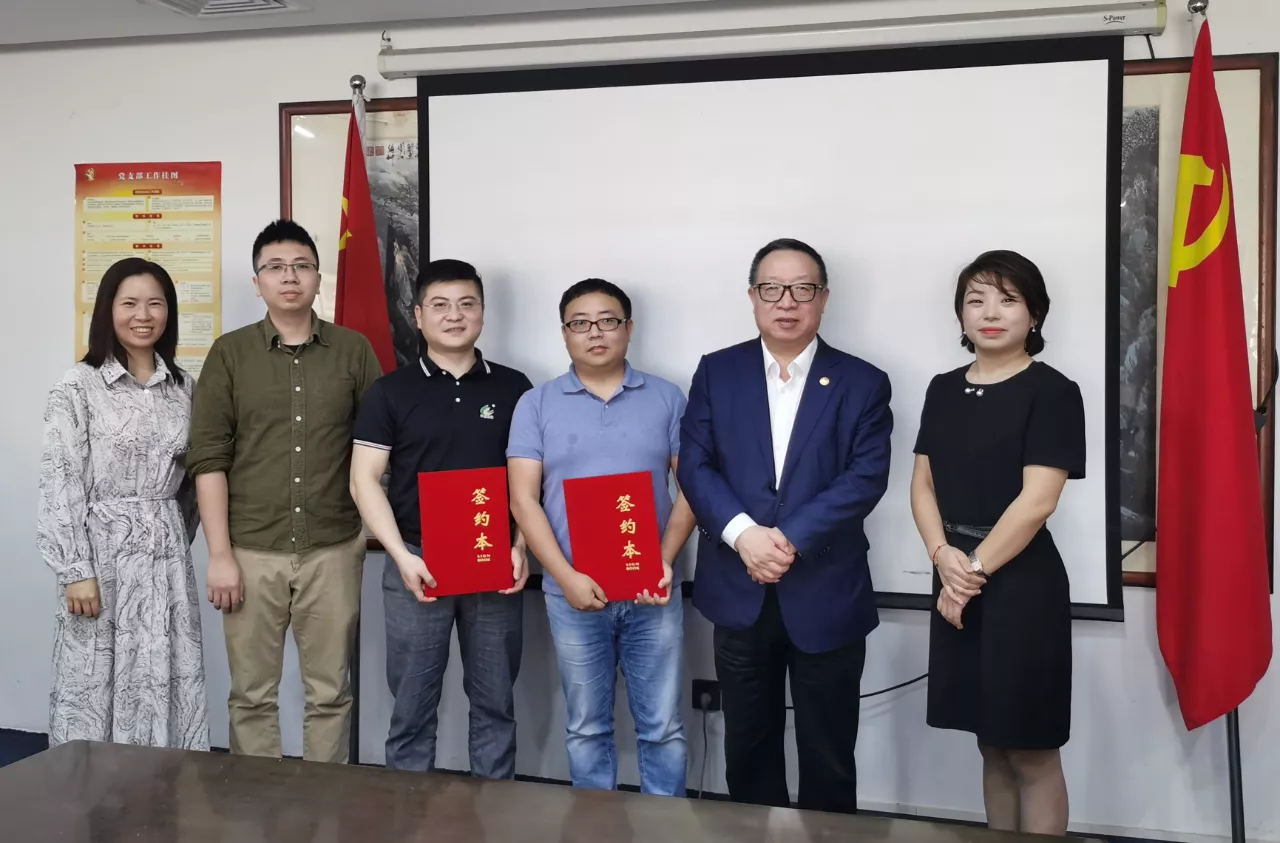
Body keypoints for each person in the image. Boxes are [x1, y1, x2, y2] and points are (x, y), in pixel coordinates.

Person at [678, 238, 891, 814]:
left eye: (802, 289)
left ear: (824, 297)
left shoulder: (862, 381)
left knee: (829, 752)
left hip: (826, 591)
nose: (787, 302)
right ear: (753, 296)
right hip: (738, 587)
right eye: (772, 289)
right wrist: (744, 535)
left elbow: (865, 478)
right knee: (748, 748)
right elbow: (695, 465)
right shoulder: (718, 372)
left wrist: (786, 539)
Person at [188, 219, 382, 763]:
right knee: (251, 696)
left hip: (332, 547)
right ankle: (257, 803)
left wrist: (373, 529)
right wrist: (219, 555)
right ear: (258, 283)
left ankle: (324, 799)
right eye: (275, 267)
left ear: (319, 277)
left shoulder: (353, 350)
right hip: (250, 549)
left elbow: (377, 447)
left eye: (301, 266)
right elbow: (208, 457)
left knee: (331, 693)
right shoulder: (229, 354)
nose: (289, 277)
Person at [909, 249, 1084, 836]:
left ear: (1034, 314)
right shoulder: (942, 389)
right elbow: (923, 485)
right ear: (960, 314)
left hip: (1020, 584)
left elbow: (1038, 501)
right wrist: (943, 558)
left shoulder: (1053, 391)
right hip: (954, 570)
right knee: (990, 741)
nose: (990, 313)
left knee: (1031, 747)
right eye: (976, 299)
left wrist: (970, 574)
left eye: (1008, 300)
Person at [508, 278, 693, 795]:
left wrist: (661, 560)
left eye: (608, 321)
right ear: (564, 333)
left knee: (663, 728)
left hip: (653, 590)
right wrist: (565, 577)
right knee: (587, 728)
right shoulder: (537, 404)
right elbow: (523, 499)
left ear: (628, 328)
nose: (595, 332)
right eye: (580, 323)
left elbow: (693, 490)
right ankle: (594, 826)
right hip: (571, 594)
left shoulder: (667, 397)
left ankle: (665, 825)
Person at [350, 259, 533, 775]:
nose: (455, 315)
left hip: (494, 563)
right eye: (440, 305)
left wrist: (521, 546)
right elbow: (364, 480)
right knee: (411, 708)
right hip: (418, 562)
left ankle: (494, 806)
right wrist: (400, 556)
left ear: (482, 312)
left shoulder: (515, 388)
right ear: (418, 315)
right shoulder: (391, 391)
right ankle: (408, 810)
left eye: (467, 304)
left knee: (496, 704)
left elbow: (530, 480)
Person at [38, 257, 208, 749]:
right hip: (100, 560)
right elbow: (60, 478)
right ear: (107, 310)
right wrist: (75, 569)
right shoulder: (79, 385)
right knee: (93, 680)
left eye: (155, 303)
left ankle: (160, 789)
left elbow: (192, 483)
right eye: (129, 303)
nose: (143, 315)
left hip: (164, 560)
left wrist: (173, 538)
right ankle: (87, 791)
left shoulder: (184, 388)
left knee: (164, 674)